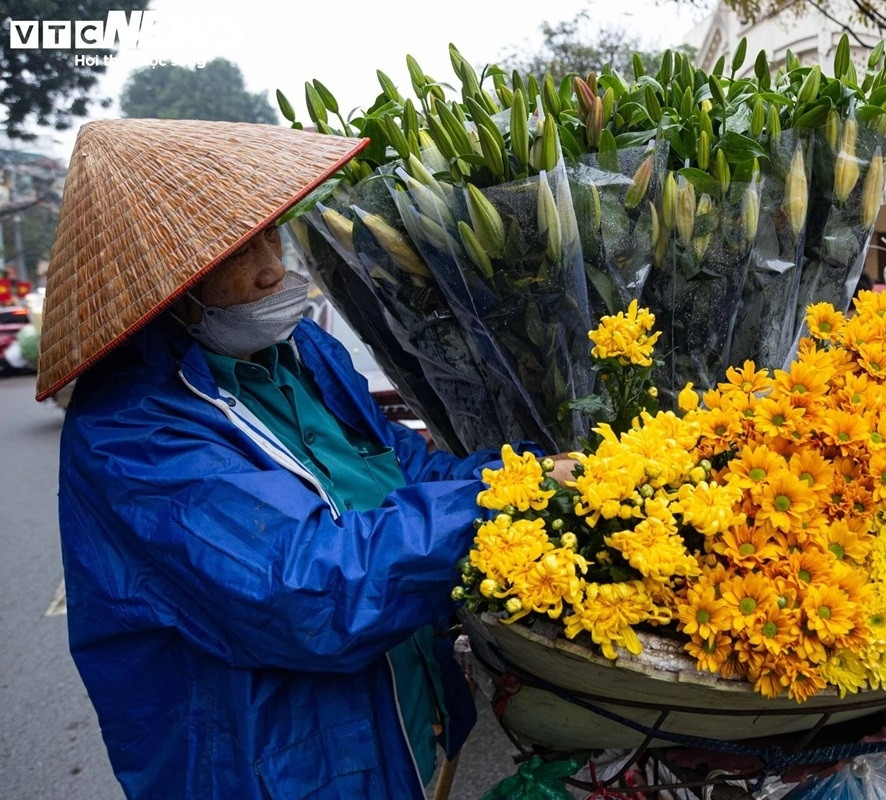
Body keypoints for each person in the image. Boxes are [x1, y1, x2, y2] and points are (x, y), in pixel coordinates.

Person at [35, 119, 561, 799]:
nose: (271, 267)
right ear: (168, 281)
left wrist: (529, 474)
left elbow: (398, 468)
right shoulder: (134, 433)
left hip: (398, 737)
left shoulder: (302, 356)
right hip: (277, 772)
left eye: (270, 233)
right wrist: (491, 505)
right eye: (234, 250)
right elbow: (306, 589)